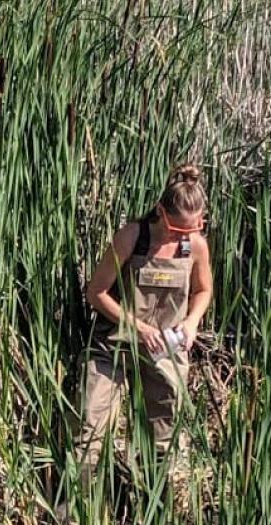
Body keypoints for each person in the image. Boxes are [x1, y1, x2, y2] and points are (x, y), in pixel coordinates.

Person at [74, 163, 213, 479]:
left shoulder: (195, 245)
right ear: (161, 213)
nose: (185, 236)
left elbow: (203, 290)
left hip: (165, 351)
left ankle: (155, 500)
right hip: (113, 345)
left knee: (165, 437)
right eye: (178, 230)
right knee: (90, 430)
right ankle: (78, 501)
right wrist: (139, 327)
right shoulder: (131, 237)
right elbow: (96, 293)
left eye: (194, 228)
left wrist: (191, 322)